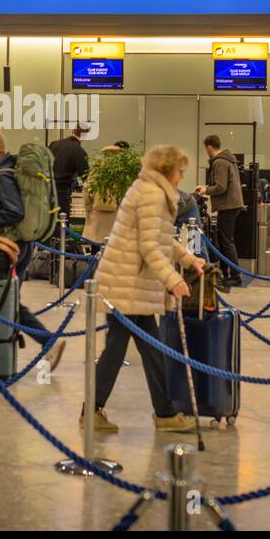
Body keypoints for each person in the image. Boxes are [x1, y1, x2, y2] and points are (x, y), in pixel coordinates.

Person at [90, 144, 204, 433]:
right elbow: (150, 246)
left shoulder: (150, 189)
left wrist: (188, 259)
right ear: (167, 170)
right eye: (180, 171)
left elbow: (161, 238)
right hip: (127, 284)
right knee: (120, 350)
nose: (181, 177)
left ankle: (162, 414)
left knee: (146, 349)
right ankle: (97, 410)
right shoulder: (154, 194)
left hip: (130, 284)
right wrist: (173, 279)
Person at [0, 127, 66, 370]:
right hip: (22, 245)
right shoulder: (9, 167)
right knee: (10, 302)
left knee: (6, 302)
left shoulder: (0, 175)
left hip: (10, 247)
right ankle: (44, 343)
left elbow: (14, 211)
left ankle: (46, 343)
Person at [195, 134, 245, 287]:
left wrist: (205, 190)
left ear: (209, 147)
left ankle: (235, 276)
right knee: (225, 241)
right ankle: (224, 274)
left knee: (227, 241)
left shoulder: (220, 162)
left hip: (228, 206)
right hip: (232, 205)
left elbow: (221, 186)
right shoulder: (228, 160)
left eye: (206, 149)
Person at [81, 144, 125, 244]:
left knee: (96, 248)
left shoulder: (96, 171)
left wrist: (88, 208)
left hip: (96, 216)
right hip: (116, 216)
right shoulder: (123, 173)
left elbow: (87, 190)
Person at [48, 124, 90, 223]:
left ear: (73, 130)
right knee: (61, 222)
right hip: (62, 191)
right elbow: (86, 176)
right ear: (85, 135)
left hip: (47, 189)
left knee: (49, 221)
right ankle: (61, 238)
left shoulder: (54, 144)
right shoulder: (78, 150)